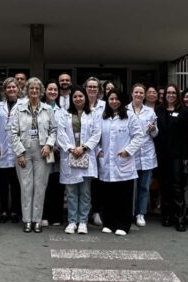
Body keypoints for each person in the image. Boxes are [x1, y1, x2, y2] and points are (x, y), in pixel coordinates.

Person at [10, 77, 58, 233]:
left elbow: (53, 130)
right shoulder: (18, 108)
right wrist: (19, 153)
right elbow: (13, 132)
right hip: (24, 150)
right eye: (31, 88)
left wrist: (49, 145)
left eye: (37, 89)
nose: (34, 91)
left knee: (40, 186)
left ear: (41, 91)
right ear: (27, 90)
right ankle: (27, 220)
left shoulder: (47, 109)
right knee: (26, 186)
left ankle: (37, 220)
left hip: (41, 151)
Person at [98, 90, 144, 236]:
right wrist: (98, 150)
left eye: (117, 99)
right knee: (108, 195)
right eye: (111, 99)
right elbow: (95, 136)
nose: (114, 101)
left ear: (122, 100)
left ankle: (123, 225)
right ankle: (108, 223)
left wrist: (128, 151)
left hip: (123, 162)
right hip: (106, 163)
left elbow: (139, 136)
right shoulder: (103, 117)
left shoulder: (129, 116)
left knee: (123, 196)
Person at [57, 86, 101, 234]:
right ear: (72, 99)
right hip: (70, 155)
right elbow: (60, 133)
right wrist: (71, 148)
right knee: (71, 192)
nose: (78, 99)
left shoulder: (93, 114)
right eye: (75, 96)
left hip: (85, 155)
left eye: (80, 96)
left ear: (85, 97)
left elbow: (96, 134)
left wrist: (84, 148)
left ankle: (83, 221)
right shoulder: (65, 114)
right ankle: (71, 221)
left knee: (85, 192)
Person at [155, 83, 188, 231]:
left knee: (177, 186)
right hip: (162, 154)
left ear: (177, 95)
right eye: (168, 93)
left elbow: (187, 135)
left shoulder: (183, 111)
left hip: (177, 154)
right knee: (164, 185)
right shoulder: (158, 110)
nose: (170, 95)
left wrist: (185, 155)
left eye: (173, 93)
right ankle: (166, 216)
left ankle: (180, 218)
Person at [126, 84, 158, 227]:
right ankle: (130, 212)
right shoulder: (125, 110)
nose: (138, 95)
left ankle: (141, 213)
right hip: (131, 153)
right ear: (132, 94)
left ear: (144, 95)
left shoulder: (150, 112)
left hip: (147, 153)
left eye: (141, 93)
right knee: (131, 186)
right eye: (136, 92)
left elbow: (155, 133)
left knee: (144, 186)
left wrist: (153, 129)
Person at [0, 77, 22, 224]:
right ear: (4, 90)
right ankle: (4, 210)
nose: (11, 89)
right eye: (8, 87)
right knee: (3, 184)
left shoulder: (24, 105)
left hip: (18, 150)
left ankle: (16, 211)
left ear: (18, 89)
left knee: (16, 183)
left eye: (14, 87)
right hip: (2, 149)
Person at [42, 81, 64, 227]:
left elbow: (64, 130)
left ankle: (56, 216)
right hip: (44, 150)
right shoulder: (40, 108)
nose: (53, 92)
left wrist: (58, 145)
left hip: (59, 152)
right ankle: (44, 215)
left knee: (57, 184)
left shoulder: (62, 111)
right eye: (50, 89)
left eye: (55, 89)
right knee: (45, 184)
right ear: (45, 91)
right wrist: (48, 144)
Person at [84, 77, 105, 226]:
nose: (92, 89)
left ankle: (97, 211)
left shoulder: (104, 105)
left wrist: (100, 149)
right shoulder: (80, 103)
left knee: (99, 183)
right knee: (84, 183)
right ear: (85, 88)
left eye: (95, 87)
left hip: (103, 150)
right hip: (85, 148)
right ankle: (84, 212)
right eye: (89, 87)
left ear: (99, 90)